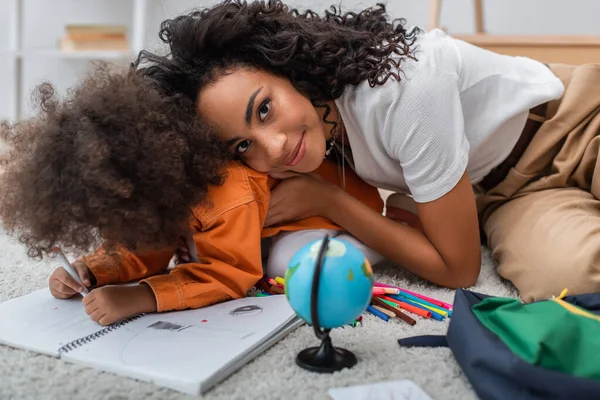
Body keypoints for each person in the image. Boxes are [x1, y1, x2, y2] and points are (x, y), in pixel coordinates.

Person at [138, 0, 600, 302]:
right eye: (243, 144)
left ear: (287, 69)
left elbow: (459, 271)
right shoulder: (312, 136)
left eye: (263, 110)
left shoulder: (406, 91)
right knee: (573, 277)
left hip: (573, 123)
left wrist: (331, 203)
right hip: (500, 192)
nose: (274, 147)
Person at [0, 64, 383, 325]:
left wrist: (141, 298)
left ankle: (395, 223)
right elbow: (141, 250)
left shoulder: (225, 193)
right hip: (257, 225)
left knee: (283, 264)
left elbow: (229, 274)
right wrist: (91, 271)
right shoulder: (151, 194)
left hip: (339, 215)